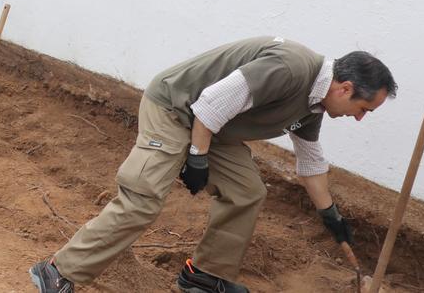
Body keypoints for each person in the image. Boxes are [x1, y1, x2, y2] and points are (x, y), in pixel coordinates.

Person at [30, 37, 397, 293]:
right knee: (144, 197)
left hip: (213, 126)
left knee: (247, 192)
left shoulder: (313, 106)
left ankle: (203, 277)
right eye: (364, 110)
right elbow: (211, 101)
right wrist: (196, 157)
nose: (360, 118)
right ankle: (58, 271)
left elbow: (311, 163)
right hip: (176, 109)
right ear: (345, 88)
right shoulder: (290, 68)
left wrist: (332, 216)